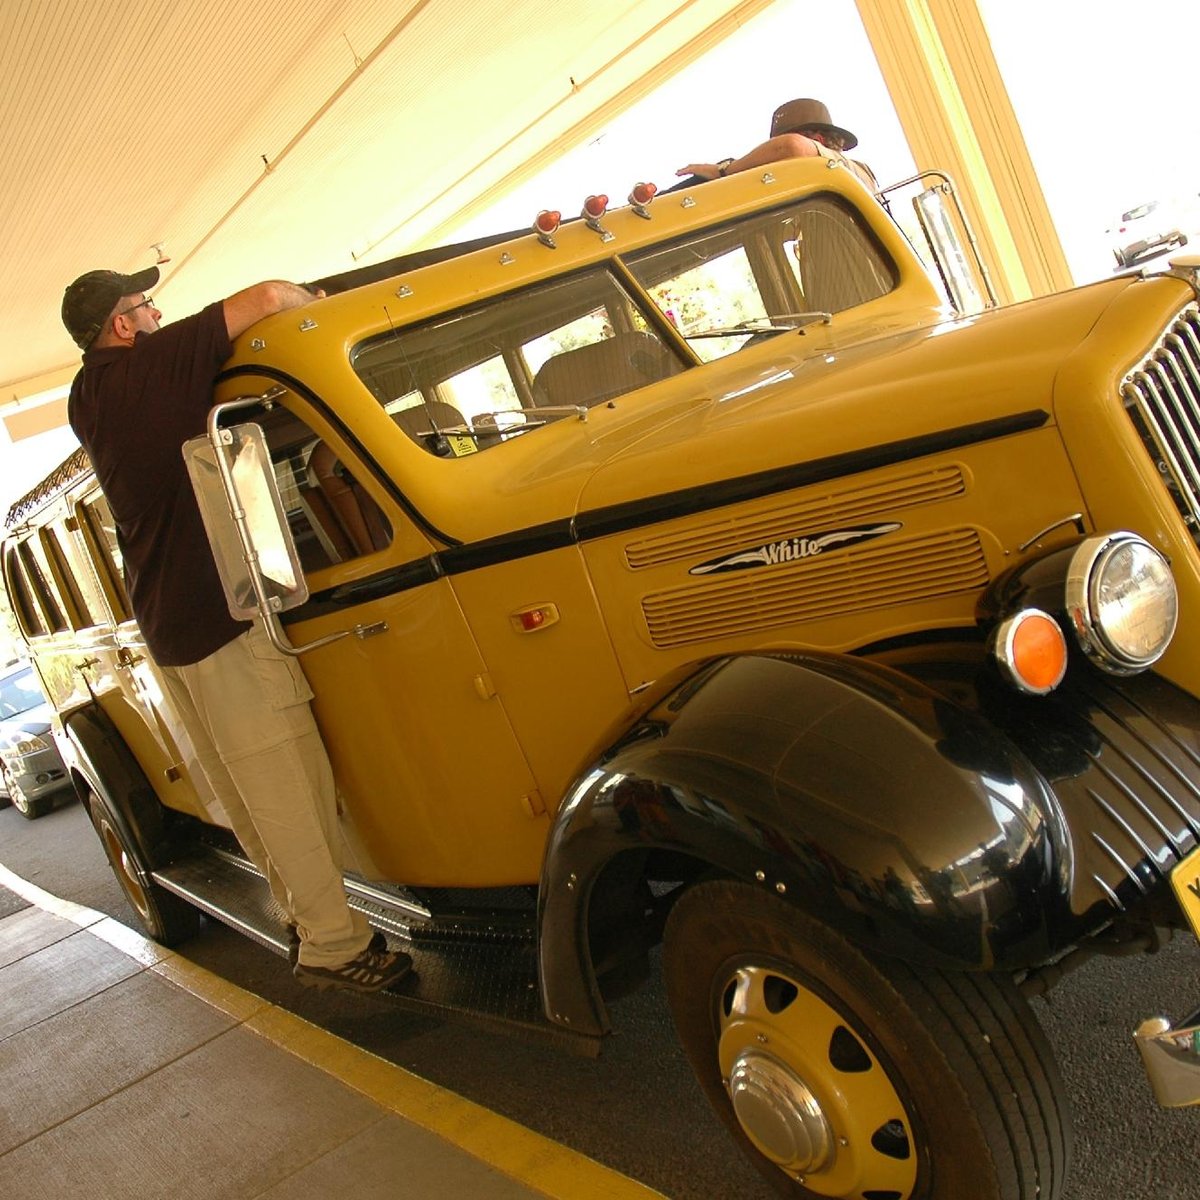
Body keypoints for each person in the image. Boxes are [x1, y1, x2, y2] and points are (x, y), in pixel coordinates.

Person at [61, 266, 412, 994]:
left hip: (169, 623)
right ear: (122, 328)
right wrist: (318, 305)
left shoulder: (88, 395)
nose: (159, 313)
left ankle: (297, 914)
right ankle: (335, 943)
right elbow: (265, 297)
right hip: (220, 614)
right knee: (289, 785)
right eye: (145, 306)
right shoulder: (148, 369)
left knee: (251, 794)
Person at [674, 97, 879, 192]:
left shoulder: (847, 168)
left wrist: (725, 172)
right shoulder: (820, 194)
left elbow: (790, 146)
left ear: (817, 140)